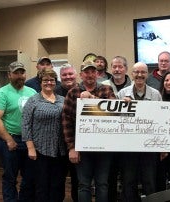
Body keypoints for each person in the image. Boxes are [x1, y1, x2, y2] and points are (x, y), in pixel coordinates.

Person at [62, 60, 116, 202]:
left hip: (104, 148)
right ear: (81, 75)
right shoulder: (72, 93)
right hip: (82, 148)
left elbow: (114, 114)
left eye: (93, 71)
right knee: (83, 185)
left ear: (97, 74)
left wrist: (92, 98)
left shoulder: (107, 90)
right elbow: (66, 121)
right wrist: (72, 147)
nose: (90, 74)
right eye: (87, 72)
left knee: (102, 184)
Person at [0, 61, 37, 201]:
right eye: (16, 73)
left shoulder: (32, 92)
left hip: (29, 141)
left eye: (22, 72)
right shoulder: (2, 93)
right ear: (9, 75)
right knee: (10, 178)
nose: (19, 76)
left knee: (29, 177)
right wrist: (9, 139)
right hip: (10, 141)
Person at [118, 62, 162, 202]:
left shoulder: (155, 94)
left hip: (149, 147)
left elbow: (161, 121)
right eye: (136, 72)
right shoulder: (122, 94)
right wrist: (122, 107)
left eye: (143, 72)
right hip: (128, 147)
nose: (139, 75)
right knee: (128, 182)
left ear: (147, 74)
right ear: (132, 74)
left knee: (149, 182)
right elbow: (114, 121)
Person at [22, 69, 66, 202]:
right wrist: (30, 147)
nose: (49, 82)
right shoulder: (33, 100)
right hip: (40, 150)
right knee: (41, 185)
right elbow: (25, 124)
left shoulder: (62, 100)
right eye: (45, 80)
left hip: (60, 150)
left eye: (52, 80)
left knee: (58, 185)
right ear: (40, 82)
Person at [101, 56, 132, 201]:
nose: (117, 69)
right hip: (109, 141)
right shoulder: (102, 85)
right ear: (111, 68)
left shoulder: (134, 86)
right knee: (109, 176)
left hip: (127, 141)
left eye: (120, 66)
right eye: (114, 67)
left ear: (126, 68)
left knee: (128, 177)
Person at [53, 63, 79, 202]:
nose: (68, 77)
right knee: (58, 180)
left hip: (77, 144)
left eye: (70, 74)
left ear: (76, 75)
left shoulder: (82, 90)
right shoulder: (53, 92)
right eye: (64, 74)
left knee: (78, 180)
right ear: (60, 77)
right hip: (58, 144)